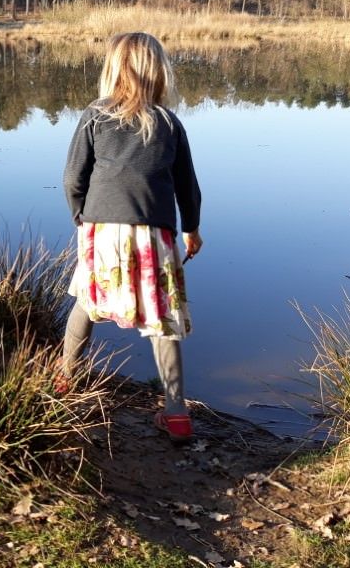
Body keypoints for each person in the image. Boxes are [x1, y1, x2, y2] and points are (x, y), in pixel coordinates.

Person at [62, 32, 203, 443]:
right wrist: (192, 230)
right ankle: (176, 412)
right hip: (155, 233)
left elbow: (74, 177)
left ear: (113, 70)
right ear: (158, 73)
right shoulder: (169, 124)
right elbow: (187, 188)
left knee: (87, 300)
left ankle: (65, 378)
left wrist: (81, 219)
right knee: (163, 317)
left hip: (101, 228)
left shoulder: (94, 115)